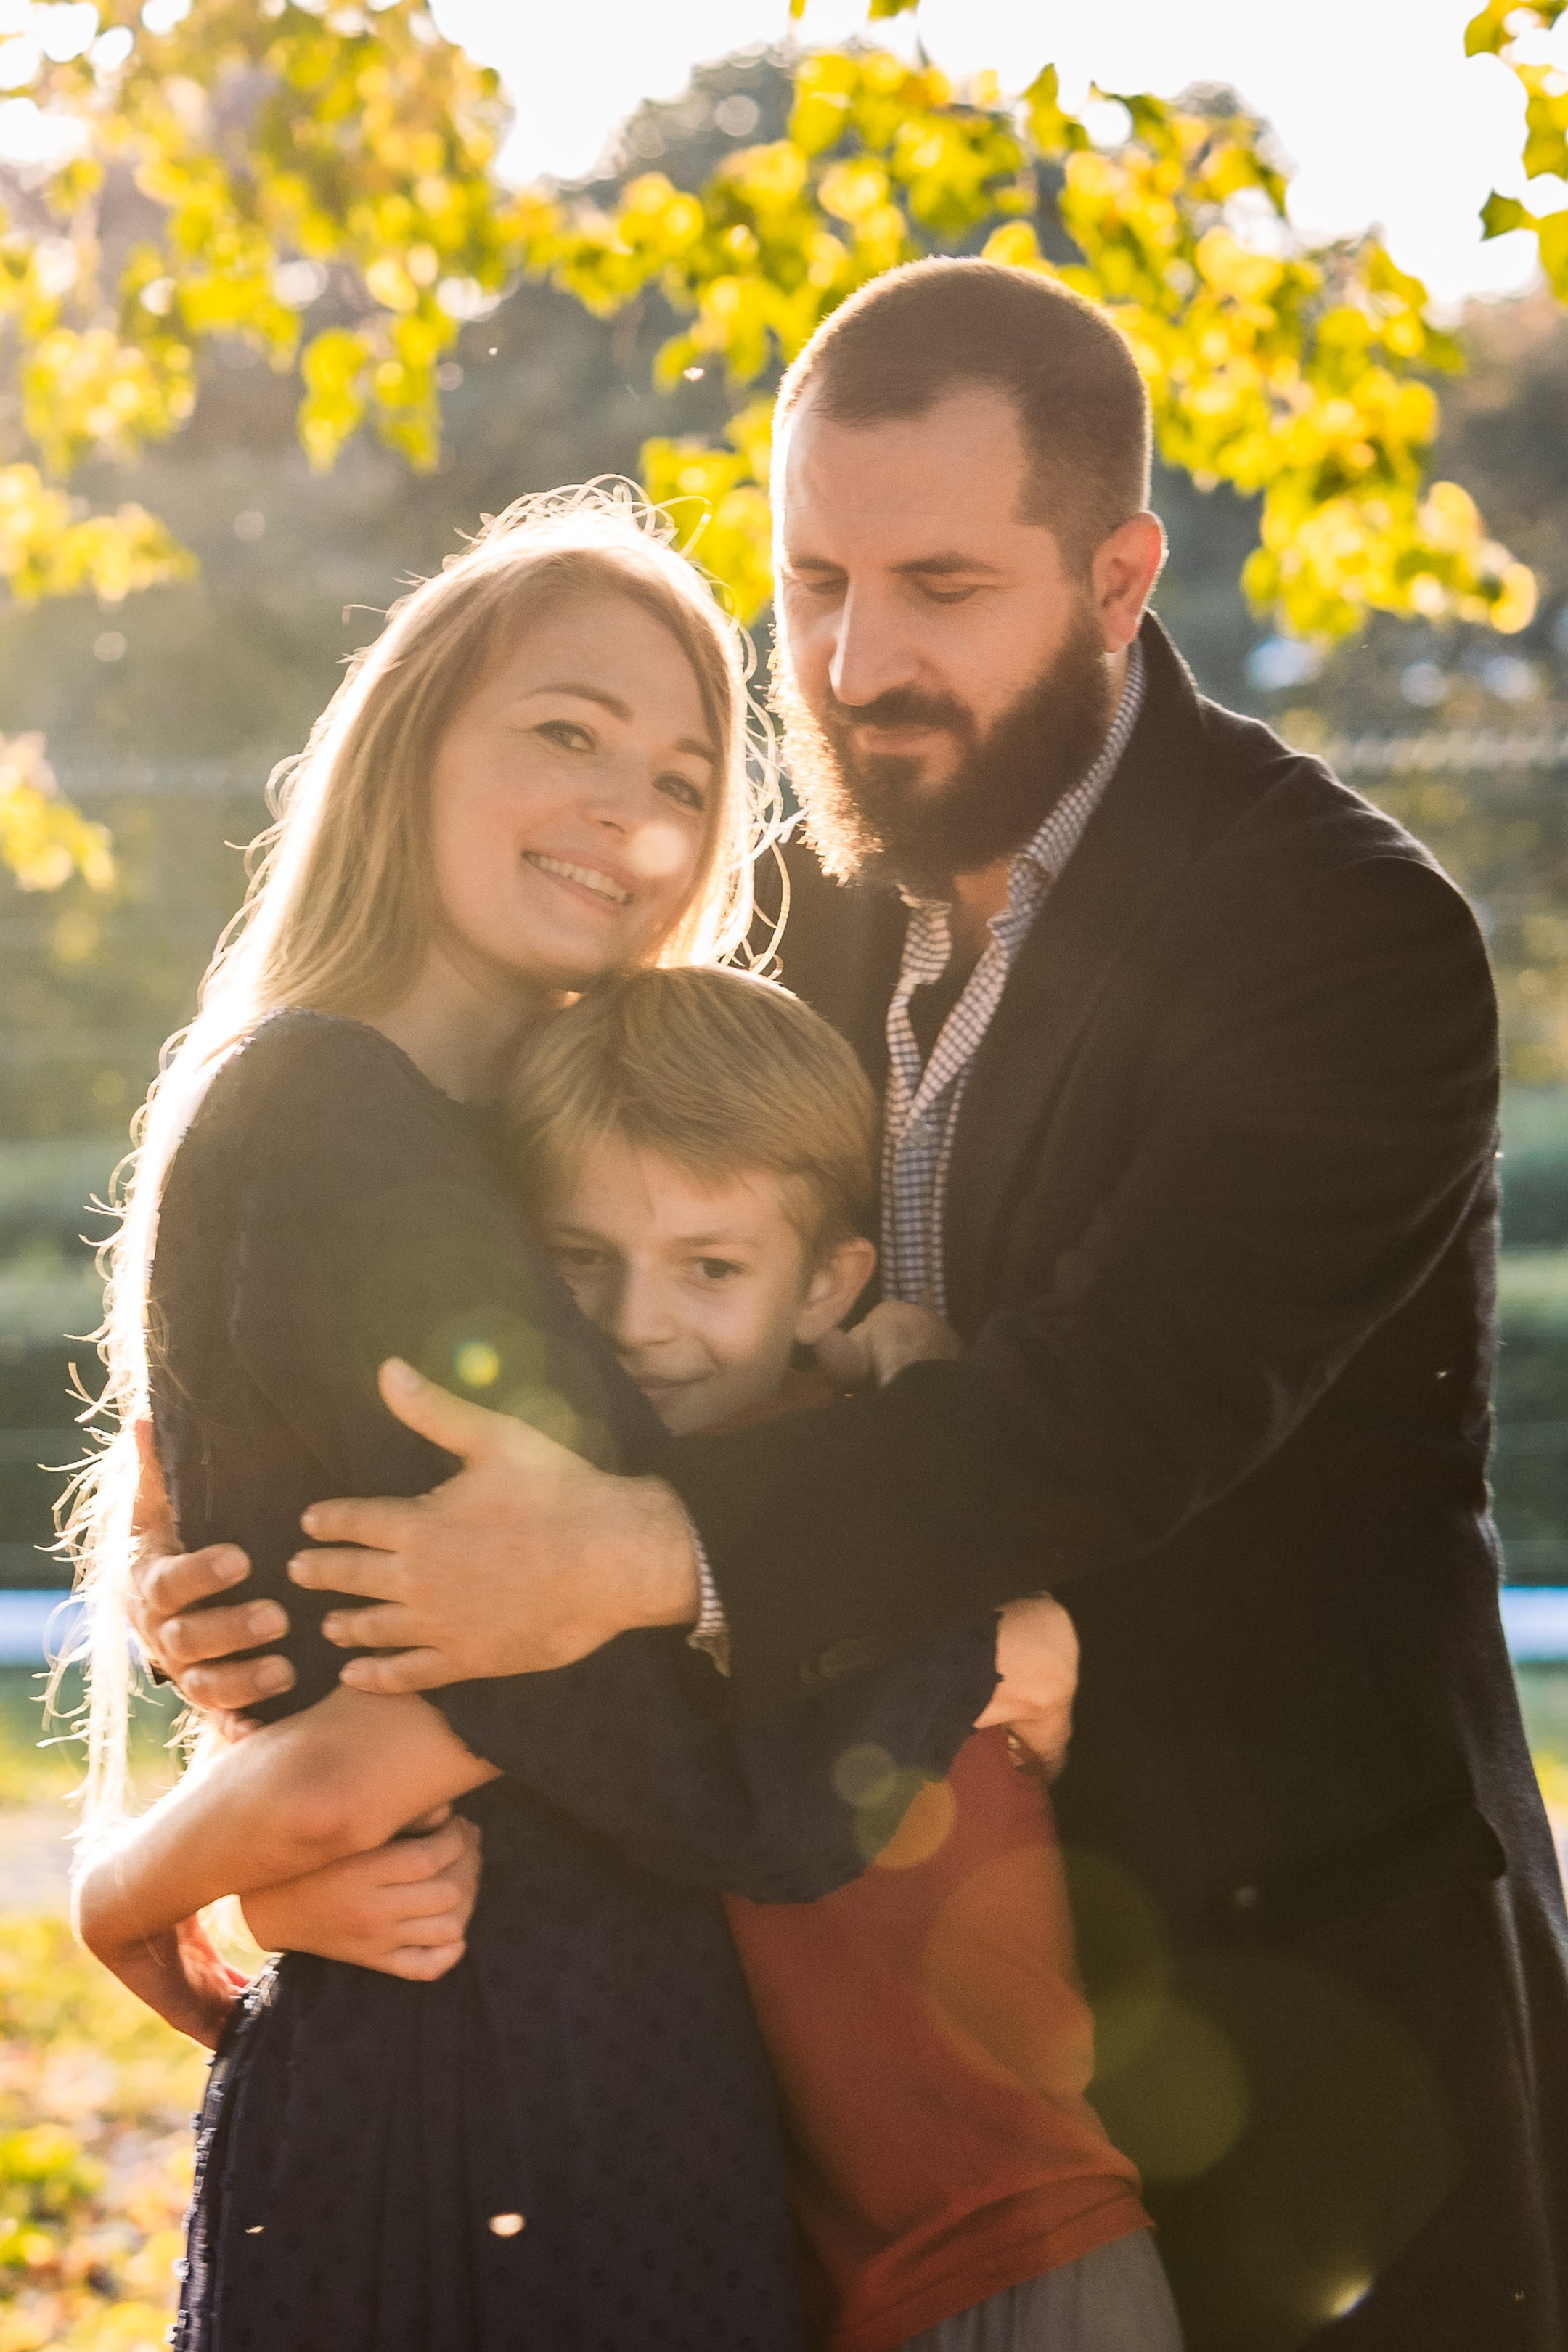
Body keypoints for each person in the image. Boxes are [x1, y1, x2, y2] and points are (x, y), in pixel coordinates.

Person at [128, 264, 1568, 2351]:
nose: (857, 660)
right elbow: (541, 1348)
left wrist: (636, 1555)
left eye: (942, 587)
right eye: (812, 583)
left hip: (1296, 2039)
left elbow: (1117, 1406)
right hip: (826, 2040)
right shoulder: (761, 914)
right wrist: (266, 1652)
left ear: (1115, 573)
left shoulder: (1343, 938)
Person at [70, 487, 1008, 2352]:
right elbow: (690, 1744)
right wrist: (985, 1617)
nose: (629, 814)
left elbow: (564, 1624)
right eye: (565, 733)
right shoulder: (347, 1125)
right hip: (501, 2106)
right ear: (413, 741)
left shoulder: (481, 1152)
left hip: (556, 2080)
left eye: (679, 775)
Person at [503, 963, 1183, 2352]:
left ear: (826, 1284)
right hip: (833, 2272)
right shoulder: (776, 1475)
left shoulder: (820, 1523)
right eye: (581, 1258)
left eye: (710, 1268)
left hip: (1001, 2258)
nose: (636, 1322)